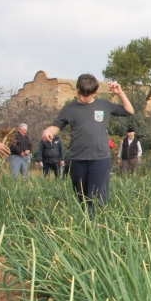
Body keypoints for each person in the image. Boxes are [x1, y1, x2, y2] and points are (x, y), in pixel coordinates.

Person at [41, 74, 134, 215]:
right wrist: (49, 131)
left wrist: (120, 93)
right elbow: (57, 125)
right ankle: (85, 224)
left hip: (100, 158)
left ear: (95, 92)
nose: (81, 97)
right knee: (82, 197)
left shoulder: (104, 105)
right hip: (78, 158)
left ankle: (97, 227)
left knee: (97, 197)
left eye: (86, 95)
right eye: (79, 93)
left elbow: (129, 111)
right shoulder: (69, 108)